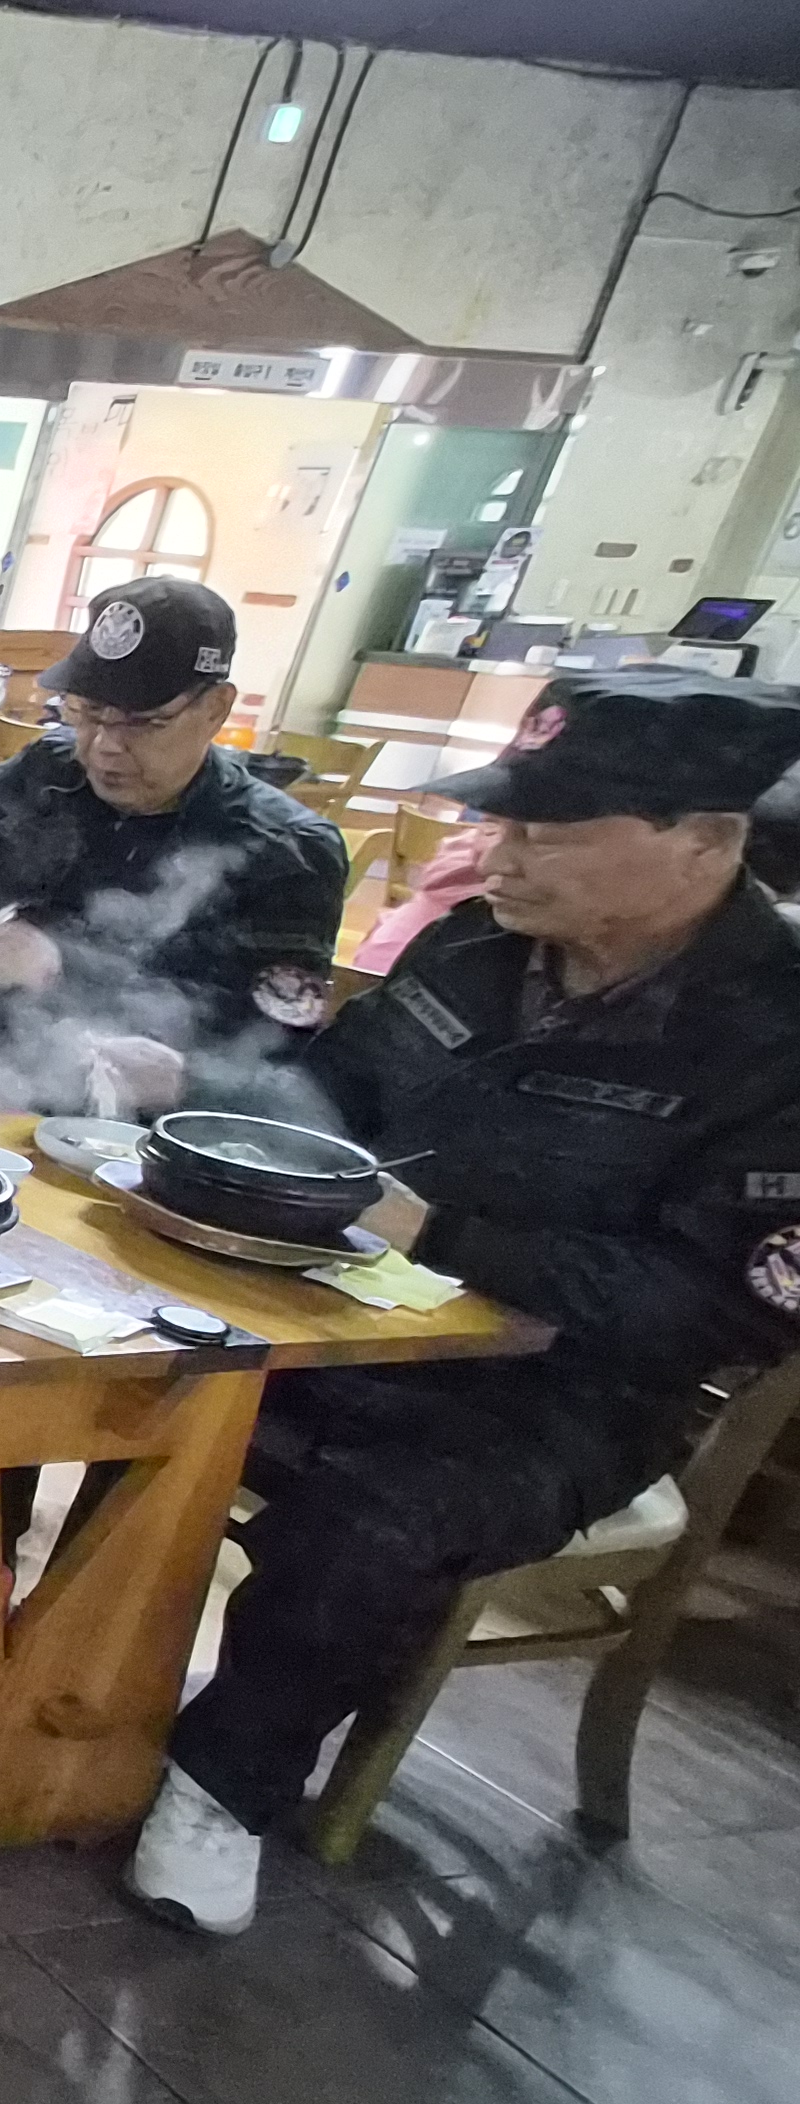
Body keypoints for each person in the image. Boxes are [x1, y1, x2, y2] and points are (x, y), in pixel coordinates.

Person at [126, 671, 800, 1936]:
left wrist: (444, 1236)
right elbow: (334, 1093)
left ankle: (224, 1785)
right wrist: (194, 1090)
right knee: (109, 1368)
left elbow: (717, 1308)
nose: (498, 856)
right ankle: (52, 1703)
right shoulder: (478, 944)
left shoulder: (773, 1031)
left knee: (372, 1520)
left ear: (702, 840)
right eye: (503, 821)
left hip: (561, 1394)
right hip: (353, 1311)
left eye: (545, 831)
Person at [0, 576, 349, 1078]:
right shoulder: (51, 771)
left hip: (113, 1105)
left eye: (141, 722)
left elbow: (263, 1040)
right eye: (88, 712)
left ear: (215, 709)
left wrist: (60, 967)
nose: (103, 746)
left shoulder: (288, 850)